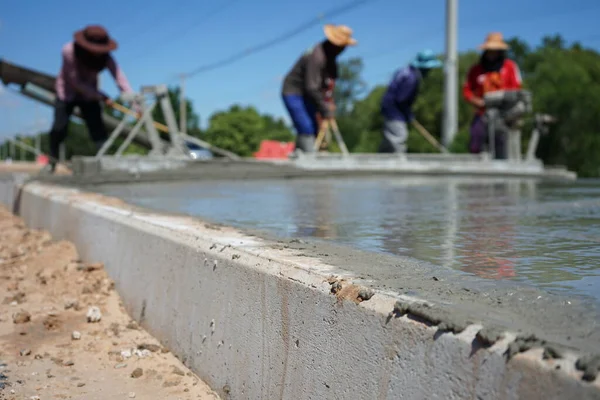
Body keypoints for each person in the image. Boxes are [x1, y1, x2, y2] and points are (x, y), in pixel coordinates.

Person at [46, 25, 136, 173]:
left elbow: (119, 77)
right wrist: (101, 96)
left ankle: (105, 162)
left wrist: (134, 102)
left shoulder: (106, 57)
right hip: (67, 92)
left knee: (97, 127)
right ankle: (52, 160)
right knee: (59, 127)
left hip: (90, 94)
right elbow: (75, 82)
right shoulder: (69, 51)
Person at [281, 24, 357, 153]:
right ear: (335, 45)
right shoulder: (317, 56)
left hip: (309, 95)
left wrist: (329, 102)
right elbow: (312, 86)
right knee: (306, 127)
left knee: (316, 128)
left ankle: (299, 154)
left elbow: (329, 84)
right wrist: (324, 107)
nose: (344, 49)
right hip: (294, 92)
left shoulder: (331, 59)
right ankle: (310, 156)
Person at [463, 32, 522, 158]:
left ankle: (501, 166)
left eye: (495, 50)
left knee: (501, 140)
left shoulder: (510, 67)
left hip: (503, 113)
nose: (492, 53)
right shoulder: (476, 70)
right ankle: (476, 166)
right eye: (490, 50)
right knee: (476, 138)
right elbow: (467, 90)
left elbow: (517, 89)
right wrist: (476, 101)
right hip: (482, 112)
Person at [379, 50, 442, 153]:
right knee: (399, 135)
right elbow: (401, 99)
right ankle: (399, 163)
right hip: (394, 110)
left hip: (390, 107)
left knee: (389, 139)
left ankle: (379, 159)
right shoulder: (411, 78)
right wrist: (408, 114)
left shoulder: (406, 71)